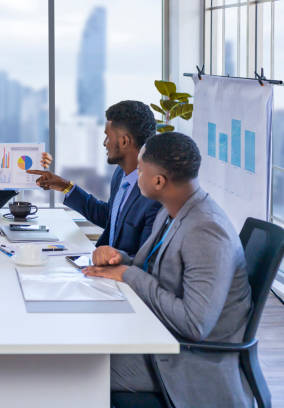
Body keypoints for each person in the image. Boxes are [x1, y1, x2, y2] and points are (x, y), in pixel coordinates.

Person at [84, 132, 253, 407]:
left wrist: (130, 274)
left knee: (79, 368)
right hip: (157, 336)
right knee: (85, 347)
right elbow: (149, 267)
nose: (135, 175)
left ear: (158, 181)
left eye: (139, 170)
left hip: (187, 361)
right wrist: (120, 259)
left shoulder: (207, 230)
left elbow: (194, 324)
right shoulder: (171, 211)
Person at [28, 100, 161, 256]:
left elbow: (144, 261)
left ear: (124, 141)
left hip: (122, 276)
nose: (104, 143)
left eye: (107, 136)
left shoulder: (153, 194)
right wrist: (65, 186)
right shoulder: (120, 174)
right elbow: (109, 218)